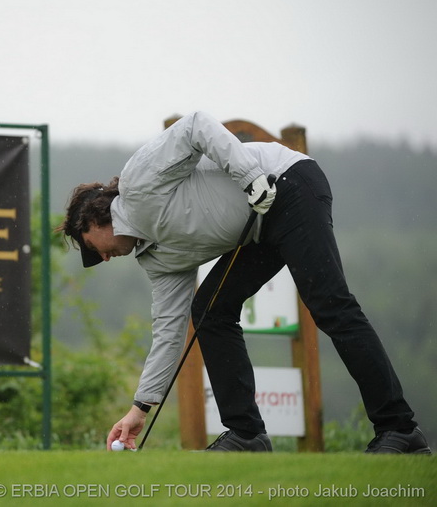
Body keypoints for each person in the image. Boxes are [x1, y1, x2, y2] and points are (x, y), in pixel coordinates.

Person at [57, 111, 431, 454]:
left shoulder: (137, 183)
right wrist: (140, 408)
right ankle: (247, 435)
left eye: (93, 248)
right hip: (260, 229)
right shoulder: (156, 260)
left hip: (289, 184)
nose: (104, 258)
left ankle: (399, 429)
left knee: (331, 305)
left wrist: (250, 177)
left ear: (95, 218)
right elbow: (168, 333)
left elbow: (196, 126)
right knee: (211, 310)